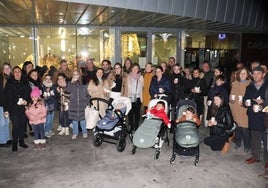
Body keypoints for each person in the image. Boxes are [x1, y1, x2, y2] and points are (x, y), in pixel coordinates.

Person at [243, 67, 268, 169]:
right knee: (255, 137)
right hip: (253, 116)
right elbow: (245, 99)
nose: (256, 75)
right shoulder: (250, 87)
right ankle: (255, 156)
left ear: (263, 74)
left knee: (266, 140)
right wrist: (245, 103)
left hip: (265, 117)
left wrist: (263, 103)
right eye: (254, 74)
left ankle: (267, 161)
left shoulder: (267, 87)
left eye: (258, 73)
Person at [3, 66, 31, 152]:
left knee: (22, 125)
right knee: (16, 126)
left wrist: (27, 101)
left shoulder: (25, 82)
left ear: (21, 73)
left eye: (19, 71)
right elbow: (6, 98)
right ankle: (14, 143)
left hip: (23, 107)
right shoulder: (9, 83)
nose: (17, 73)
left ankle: (21, 141)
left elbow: (29, 93)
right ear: (13, 73)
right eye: (15, 71)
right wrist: (6, 110)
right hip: (13, 108)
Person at [229, 68, 251, 152]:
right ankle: (238, 143)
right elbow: (231, 96)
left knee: (245, 129)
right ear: (238, 74)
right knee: (237, 127)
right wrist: (232, 99)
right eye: (241, 73)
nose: (242, 75)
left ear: (247, 74)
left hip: (245, 109)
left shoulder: (250, 84)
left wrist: (245, 101)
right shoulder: (235, 83)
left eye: (244, 73)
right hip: (236, 108)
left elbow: (251, 97)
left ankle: (247, 145)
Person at [67, 69, 90, 140]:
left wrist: (87, 103)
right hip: (73, 105)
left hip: (82, 104)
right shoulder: (71, 83)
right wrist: (71, 82)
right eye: (74, 74)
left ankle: (84, 132)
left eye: (76, 74)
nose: (75, 76)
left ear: (79, 75)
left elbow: (87, 95)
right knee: (75, 120)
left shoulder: (83, 84)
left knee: (83, 120)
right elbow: (68, 90)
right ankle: (75, 133)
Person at [127, 63, 144, 132]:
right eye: (134, 68)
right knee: (130, 113)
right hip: (130, 97)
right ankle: (131, 125)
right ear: (131, 69)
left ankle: (136, 125)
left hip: (138, 97)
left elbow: (143, 87)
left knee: (137, 113)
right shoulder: (128, 77)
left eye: (136, 68)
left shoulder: (141, 77)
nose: (135, 70)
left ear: (138, 69)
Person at [0, 62, 12, 146]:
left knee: (7, 122)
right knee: (2, 122)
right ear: (2, 70)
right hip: (2, 105)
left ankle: (7, 138)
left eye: (8, 68)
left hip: (8, 105)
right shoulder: (1, 79)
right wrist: (4, 108)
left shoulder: (10, 78)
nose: (7, 70)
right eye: (5, 68)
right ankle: (2, 141)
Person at [42, 73, 57, 138]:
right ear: (44, 79)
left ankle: (49, 130)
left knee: (51, 119)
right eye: (46, 79)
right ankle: (45, 131)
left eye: (49, 79)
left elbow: (55, 96)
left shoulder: (53, 86)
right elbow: (43, 97)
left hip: (52, 105)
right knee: (47, 119)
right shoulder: (42, 87)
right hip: (46, 105)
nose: (48, 80)